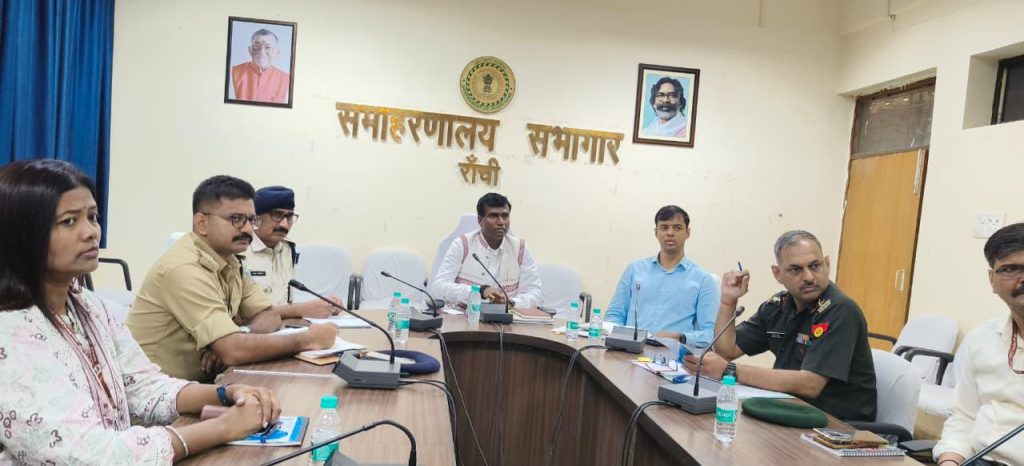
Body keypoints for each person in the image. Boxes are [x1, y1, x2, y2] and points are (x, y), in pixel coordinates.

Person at [0, 159, 281, 464]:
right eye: (69, 221)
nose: (91, 232)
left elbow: (143, 386)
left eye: (92, 217)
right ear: (23, 233)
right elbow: (95, 456)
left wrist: (225, 393)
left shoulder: (89, 307)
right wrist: (225, 427)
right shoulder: (10, 334)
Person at [127, 176, 335, 383]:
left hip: (196, 384)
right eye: (236, 219)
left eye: (251, 220)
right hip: (153, 392)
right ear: (202, 223)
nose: (248, 229)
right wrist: (307, 339)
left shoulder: (229, 261)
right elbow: (233, 351)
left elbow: (269, 316)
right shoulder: (184, 269)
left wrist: (240, 335)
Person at [684, 230, 877, 421]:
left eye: (815, 266)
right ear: (777, 274)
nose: (809, 277)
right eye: (796, 270)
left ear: (827, 264)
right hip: (791, 409)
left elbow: (811, 384)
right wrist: (728, 302)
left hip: (839, 425)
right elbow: (726, 351)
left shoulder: (840, 310)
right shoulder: (778, 306)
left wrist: (730, 371)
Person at [934, 223, 1024, 466]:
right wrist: (950, 460)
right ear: (992, 280)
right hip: (976, 460)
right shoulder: (982, 337)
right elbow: (964, 415)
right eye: (1011, 269)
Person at [605, 205, 718, 347]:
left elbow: (710, 334)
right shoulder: (635, 269)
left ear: (688, 233)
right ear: (656, 232)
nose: (670, 233)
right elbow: (614, 315)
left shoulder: (703, 280)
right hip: (628, 351)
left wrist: (680, 337)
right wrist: (619, 341)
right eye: (664, 227)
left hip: (671, 356)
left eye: (677, 228)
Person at [430, 192, 542, 309]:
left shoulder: (521, 249)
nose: (501, 222)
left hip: (505, 317)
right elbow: (439, 288)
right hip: (463, 314)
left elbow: (536, 294)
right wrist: (479, 291)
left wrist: (511, 303)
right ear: (480, 220)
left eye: (505, 216)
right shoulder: (462, 244)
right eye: (493, 216)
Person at [243, 185, 341, 312]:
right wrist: (306, 309)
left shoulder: (287, 248)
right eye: (277, 215)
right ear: (256, 218)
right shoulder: (239, 250)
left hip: (282, 322)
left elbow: (283, 303)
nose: (284, 225)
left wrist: (325, 306)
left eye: (289, 217)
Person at [231, 28, 290, 104]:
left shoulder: (286, 79)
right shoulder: (233, 72)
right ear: (250, 50)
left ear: (276, 52)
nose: (262, 52)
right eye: (257, 46)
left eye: (268, 47)